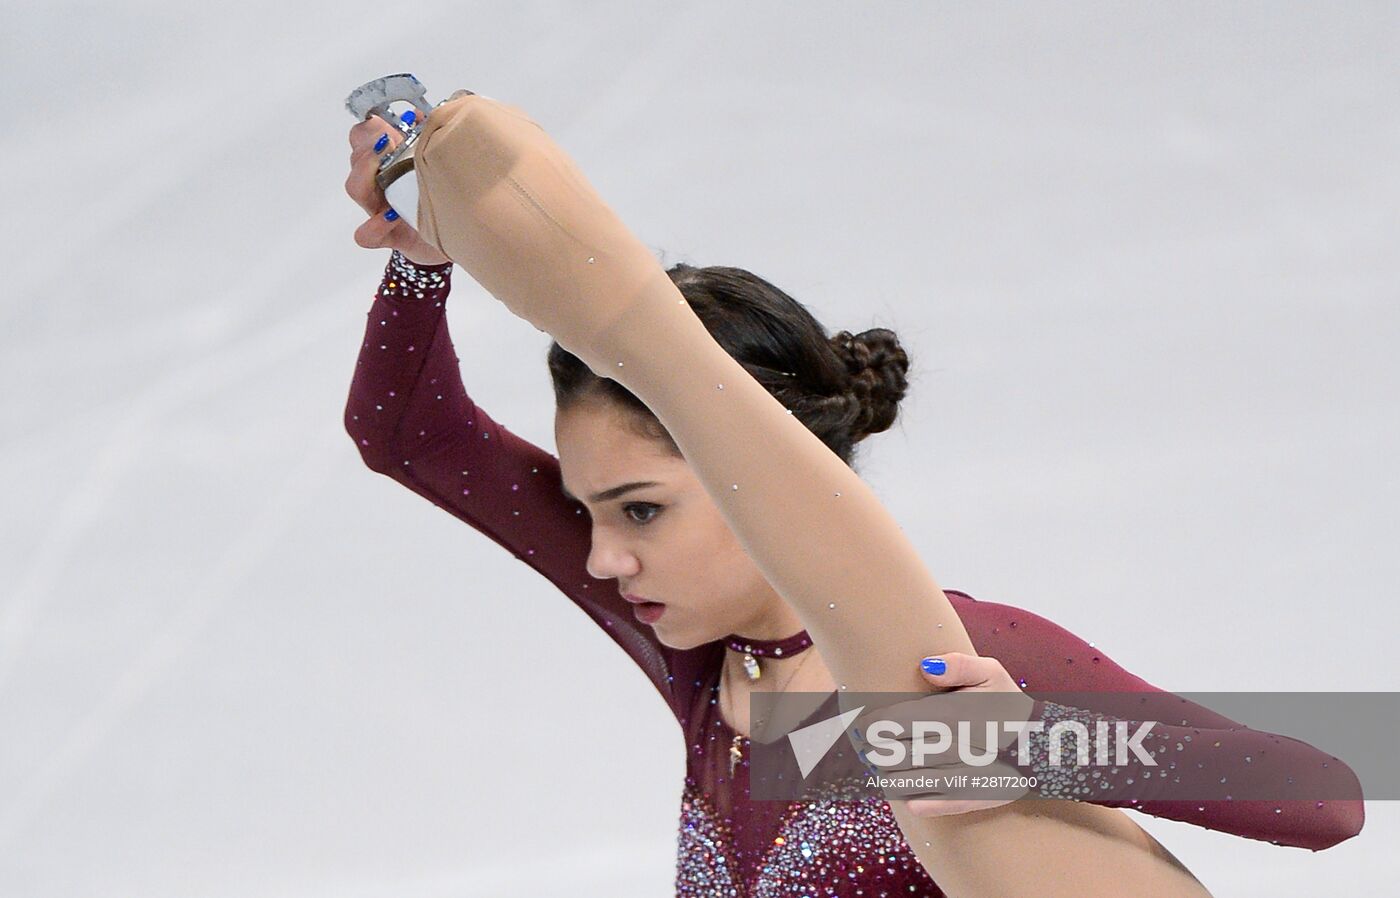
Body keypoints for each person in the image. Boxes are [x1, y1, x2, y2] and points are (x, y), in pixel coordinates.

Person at [342, 94, 1363, 896]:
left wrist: (1038, 741)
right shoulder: (699, 657)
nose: (602, 555)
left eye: (640, 508)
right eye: (590, 508)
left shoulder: (953, 647)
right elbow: (408, 438)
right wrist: (423, 266)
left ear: (763, 467)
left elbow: (1323, 795)